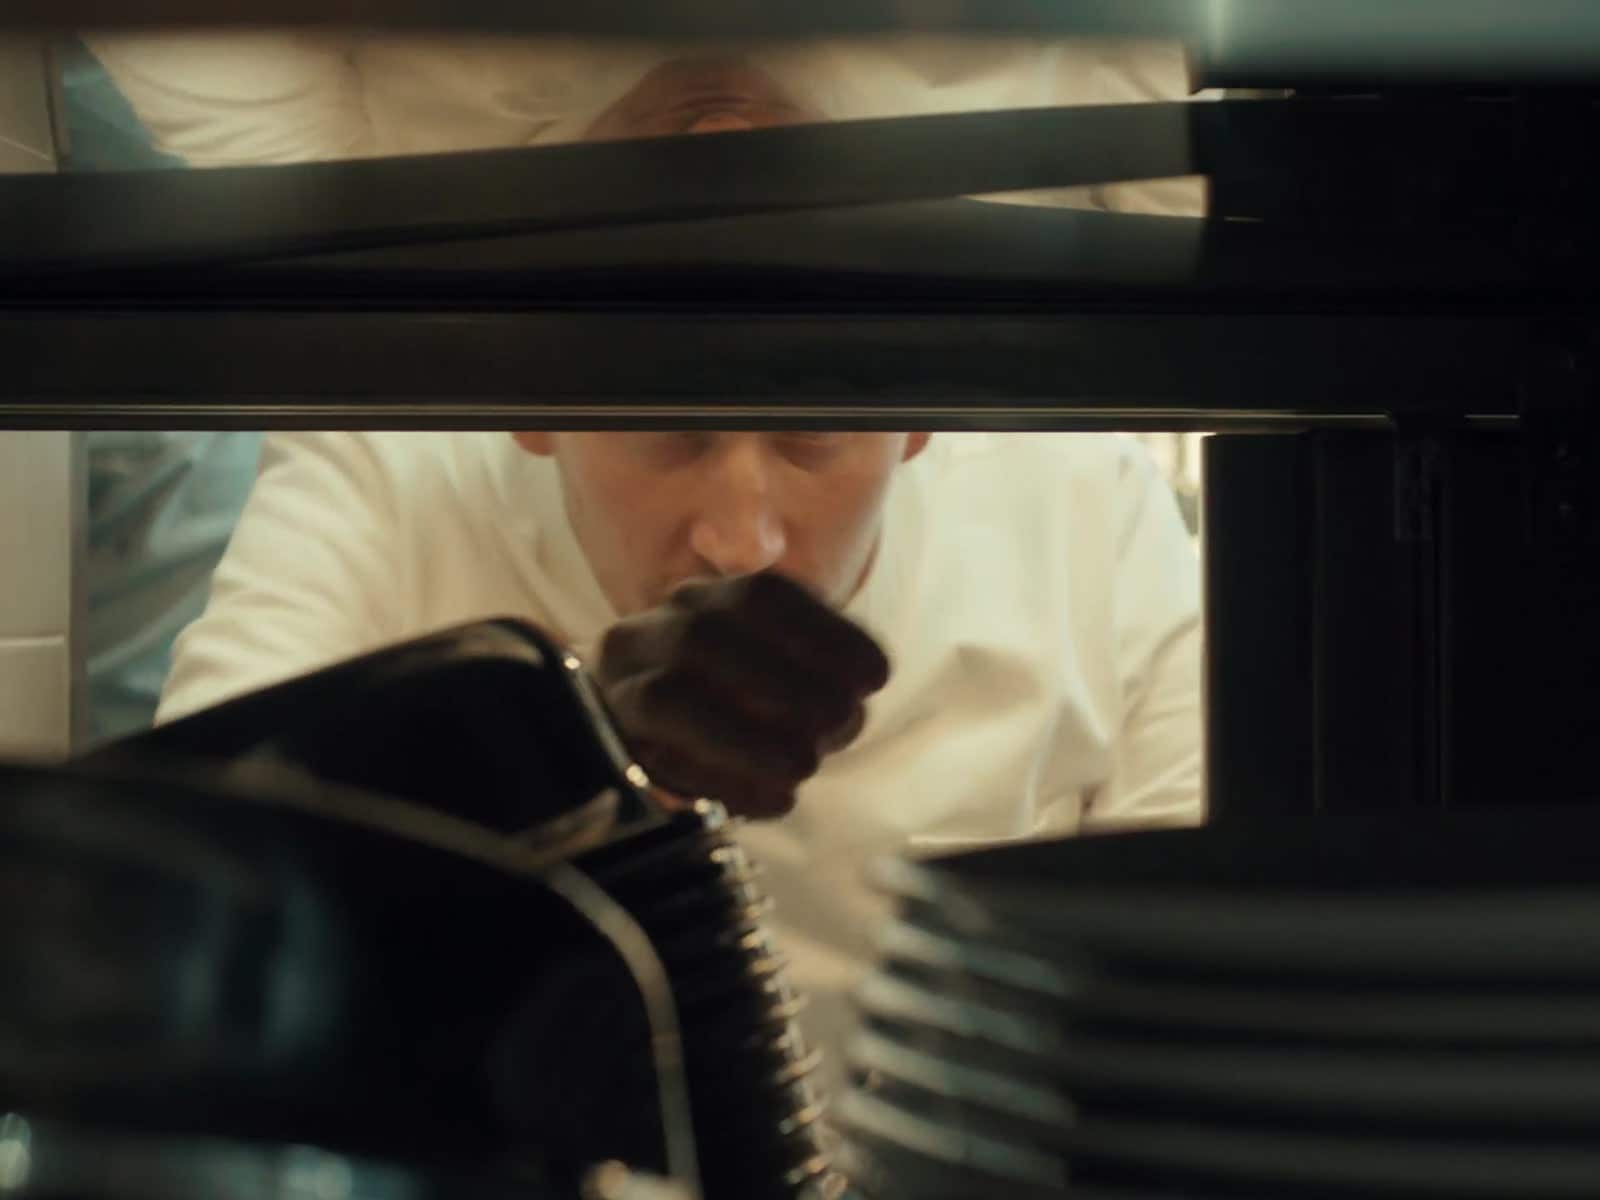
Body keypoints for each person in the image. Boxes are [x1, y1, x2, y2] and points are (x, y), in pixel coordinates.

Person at [142, 50, 1204, 1086]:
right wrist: (558, 766)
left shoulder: (1087, 509)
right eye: (664, 423)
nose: (742, 543)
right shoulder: (389, 478)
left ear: (921, 416)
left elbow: (1193, 1004)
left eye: (814, 431)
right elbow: (171, 925)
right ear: (525, 402)